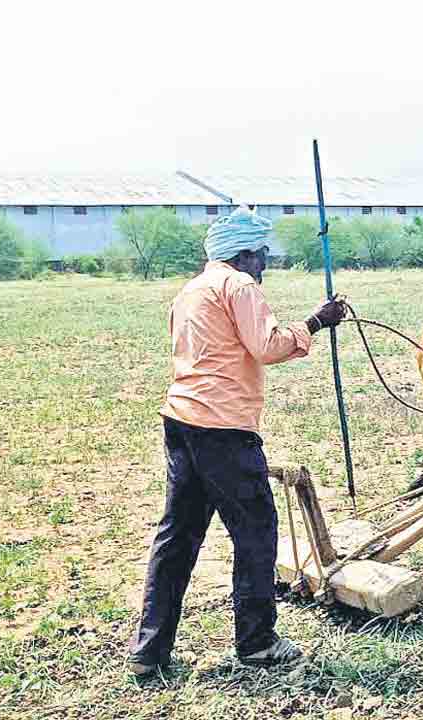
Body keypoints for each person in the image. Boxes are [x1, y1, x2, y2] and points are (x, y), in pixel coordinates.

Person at [128, 206, 347, 676]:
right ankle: (257, 642)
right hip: (223, 428)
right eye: (262, 253)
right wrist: (315, 323)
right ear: (244, 254)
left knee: (178, 536)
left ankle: (149, 651)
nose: (265, 262)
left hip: (181, 420)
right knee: (257, 531)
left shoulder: (190, 291)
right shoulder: (238, 286)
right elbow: (266, 347)